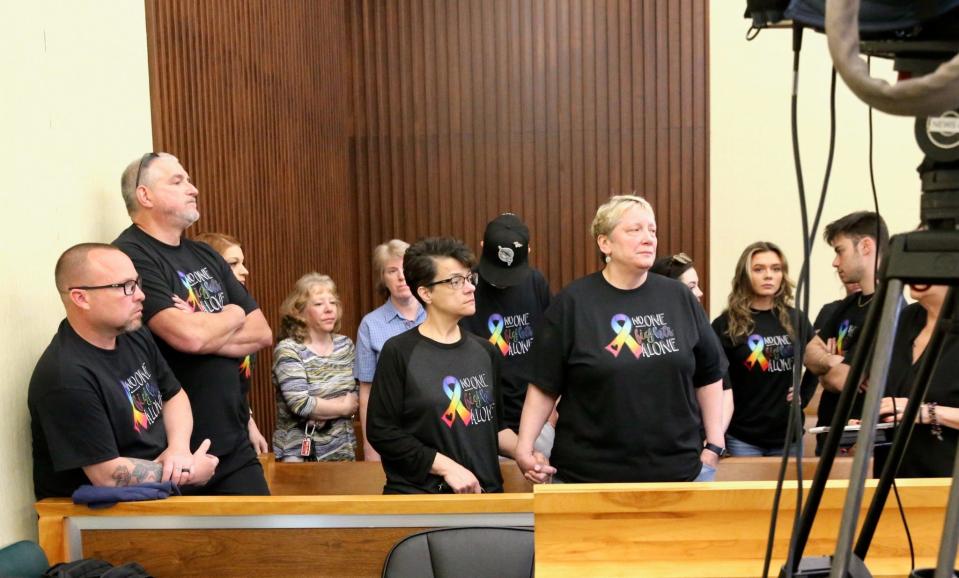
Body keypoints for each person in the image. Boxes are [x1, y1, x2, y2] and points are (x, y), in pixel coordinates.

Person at [516, 195, 728, 484]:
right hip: (589, 477)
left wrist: (714, 445)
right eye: (634, 230)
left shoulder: (679, 298)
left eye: (652, 231)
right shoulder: (573, 303)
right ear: (605, 243)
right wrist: (525, 447)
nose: (648, 239)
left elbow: (710, 374)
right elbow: (544, 386)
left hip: (678, 473)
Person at [114, 152, 273, 494]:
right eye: (178, 181)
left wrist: (205, 327)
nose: (194, 188)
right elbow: (186, 337)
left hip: (234, 446)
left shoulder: (204, 255)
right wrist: (230, 314)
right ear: (145, 196)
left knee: (268, 545)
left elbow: (261, 333)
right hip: (177, 457)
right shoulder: (130, 256)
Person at [29, 244, 218, 499]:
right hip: (100, 519)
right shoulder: (66, 376)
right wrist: (188, 471)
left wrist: (179, 449)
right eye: (125, 287)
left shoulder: (132, 333)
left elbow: (173, 395)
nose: (140, 294)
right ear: (81, 297)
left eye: (137, 283)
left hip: (161, 494)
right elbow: (107, 475)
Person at [366, 237, 551, 493]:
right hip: (423, 499)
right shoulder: (399, 351)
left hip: (484, 497)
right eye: (455, 281)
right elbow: (382, 431)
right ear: (425, 292)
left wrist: (524, 452)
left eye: (469, 278)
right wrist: (445, 466)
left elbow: (493, 428)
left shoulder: (485, 352)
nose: (469, 288)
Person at [459, 214, 553, 453]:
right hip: (483, 418)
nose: (502, 283)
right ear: (481, 247)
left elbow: (552, 348)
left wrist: (550, 416)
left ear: (529, 250)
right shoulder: (466, 288)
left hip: (536, 416)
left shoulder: (535, 282)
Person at [711, 241, 812, 456]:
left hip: (788, 435)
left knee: (790, 492)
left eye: (775, 269)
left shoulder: (797, 319)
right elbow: (714, 381)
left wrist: (804, 392)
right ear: (745, 275)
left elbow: (817, 363)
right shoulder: (724, 324)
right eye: (759, 269)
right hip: (743, 436)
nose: (769, 275)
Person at [803, 211, 888, 455]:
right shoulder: (848, 305)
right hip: (829, 433)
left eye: (840, 251)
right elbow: (810, 352)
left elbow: (840, 380)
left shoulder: (887, 310)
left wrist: (827, 373)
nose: (835, 262)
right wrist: (832, 361)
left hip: (860, 442)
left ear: (866, 246)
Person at [193, 231, 268, 454]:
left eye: (242, 263)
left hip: (236, 423)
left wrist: (249, 422)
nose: (244, 271)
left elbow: (237, 384)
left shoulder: (245, 311)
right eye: (233, 264)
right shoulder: (198, 319)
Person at [272, 273, 359, 462]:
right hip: (299, 455)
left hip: (343, 450)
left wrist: (321, 408)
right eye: (319, 304)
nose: (329, 309)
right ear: (299, 312)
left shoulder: (345, 345)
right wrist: (342, 408)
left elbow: (356, 396)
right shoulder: (289, 350)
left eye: (333, 303)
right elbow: (301, 404)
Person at [878, 284, 959, 477]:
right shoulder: (904, 319)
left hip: (948, 483)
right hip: (894, 478)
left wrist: (927, 412)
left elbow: (912, 409)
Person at [355, 240, 425, 461]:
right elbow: (366, 392)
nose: (401, 277)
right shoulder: (370, 325)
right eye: (392, 271)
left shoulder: (438, 314)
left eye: (405, 269)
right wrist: (369, 446)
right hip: (392, 430)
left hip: (435, 425)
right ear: (383, 278)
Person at [651, 251, 733, 432]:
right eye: (692, 287)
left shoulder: (701, 330)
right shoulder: (649, 331)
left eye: (698, 285)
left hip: (696, 439)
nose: (700, 293)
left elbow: (724, 390)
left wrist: (712, 443)